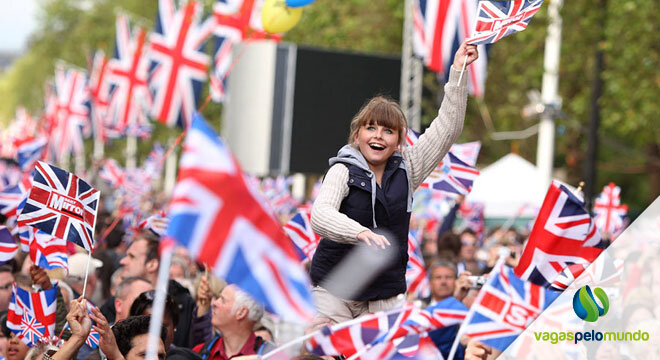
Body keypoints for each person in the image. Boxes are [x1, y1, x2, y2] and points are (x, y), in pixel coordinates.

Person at [309, 42, 478, 323]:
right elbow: (320, 215)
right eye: (371, 127)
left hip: (383, 297)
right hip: (333, 290)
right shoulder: (342, 169)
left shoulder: (408, 167)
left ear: (399, 139)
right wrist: (360, 233)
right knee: (319, 348)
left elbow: (448, 128)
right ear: (357, 134)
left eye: (388, 130)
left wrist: (458, 71)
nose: (378, 136)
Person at [120, 234, 196, 347]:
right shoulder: (119, 297)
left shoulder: (184, 302)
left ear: (152, 264)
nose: (123, 261)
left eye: (132, 256)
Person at [192, 284, 276, 359]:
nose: (214, 303)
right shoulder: (200, 352)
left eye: (223, 300)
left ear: (241, 313)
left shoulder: (272, 356)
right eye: (218, 298)